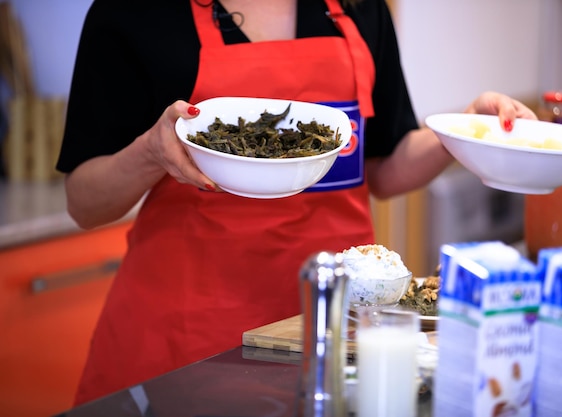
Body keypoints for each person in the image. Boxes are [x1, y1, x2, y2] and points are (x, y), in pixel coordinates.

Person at [56, 0, 537, 405]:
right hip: (183, 344)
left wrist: (464, 129)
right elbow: (84, 201)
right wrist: (150, 152)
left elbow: (385, 169)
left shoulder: (357, 7)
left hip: (334, 334)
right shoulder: (135, 11)